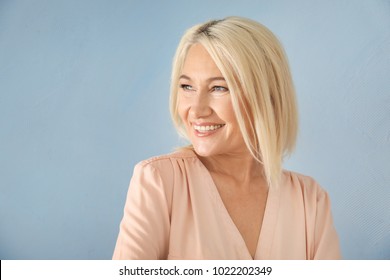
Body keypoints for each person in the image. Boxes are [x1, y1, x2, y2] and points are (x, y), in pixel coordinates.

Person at [112, 16, 341, 260]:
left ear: (266, 96)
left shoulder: (309, 201)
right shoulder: (159, 181)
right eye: (187, 87)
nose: (197, 110)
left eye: (219, 88)